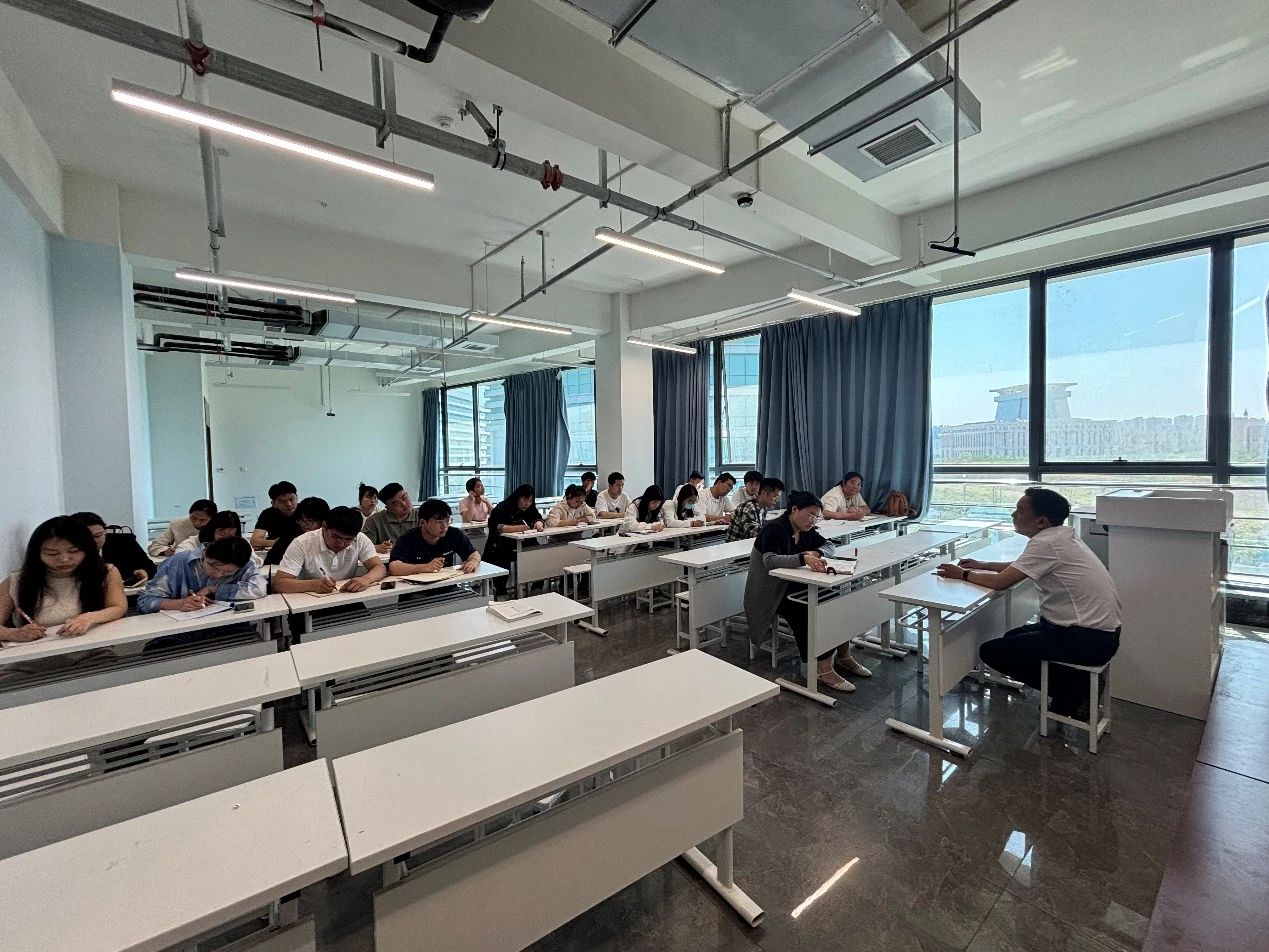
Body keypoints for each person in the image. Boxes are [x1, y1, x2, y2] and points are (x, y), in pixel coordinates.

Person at [936, 488, 1122, 718]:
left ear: (1041, 521)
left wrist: (962, 574)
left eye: (1020, 511)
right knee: (1011, 637)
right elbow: (1020, 566)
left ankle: (1075, 691)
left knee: (992, 652)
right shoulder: (1059, 537)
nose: (1013, 515)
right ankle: (1073, 683)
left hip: (1086, 639)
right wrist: (981, 565)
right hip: (1095, 633)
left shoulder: (1046, 543)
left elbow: (1000, 583)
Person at [744, 491, 871, 692]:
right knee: (806, 611)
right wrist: (803, 558)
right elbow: (770, 561)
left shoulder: (805, 529)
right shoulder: (774, 529)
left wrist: (816, 552)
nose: (813, 520)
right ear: (794, 510)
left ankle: (843, 656)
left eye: (816, 516)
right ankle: (823, 668)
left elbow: (829, 546)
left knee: (835, 600)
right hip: (771, 593)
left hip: (795, 585)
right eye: (810, 514)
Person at [0, 516, 127, 640]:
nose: (64, 559)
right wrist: (12, 633)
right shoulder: (16, 581)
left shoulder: (106, 572)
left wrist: (89, 618)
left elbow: (118, 607)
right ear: (37, 554)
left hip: (95, 647)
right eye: (52, 553)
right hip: (39, 651)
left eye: (74, 551)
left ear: (88, 549)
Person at [273, 506, 387, 594]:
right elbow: (279, 583)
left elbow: (379, 567)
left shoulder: (360, 538)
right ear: (324, 527)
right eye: (336, 537)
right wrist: (313, 585)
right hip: (309, 601)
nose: (341, 543)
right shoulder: (302, 543)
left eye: (348, 539)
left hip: (345, 596)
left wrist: (365, 579)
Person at [138, 537, 266, 613]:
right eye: (213, 566)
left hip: (226, 625)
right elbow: (145, 601)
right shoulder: (177, 562)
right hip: (180, 630)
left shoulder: (244, 563)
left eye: (227, 572)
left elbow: (259, 588)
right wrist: (179, 604)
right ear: (204, 554)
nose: (218, 574)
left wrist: (215, 590)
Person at [389, 499, 482, 577]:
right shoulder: (408, 538)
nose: (444, 526)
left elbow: (474, 554)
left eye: (447, 520)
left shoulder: (453, 534)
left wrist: (473, 561)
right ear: (423, 522)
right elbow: (394, 567)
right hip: (417, 588)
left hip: (446, 584)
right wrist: (424, 567)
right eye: (439, 522)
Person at [483, 485, 545, 595]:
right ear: (517, 497)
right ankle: (501, 591)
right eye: (524, 500)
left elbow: (537, 517)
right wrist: (519, 528)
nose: (527, 504)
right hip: (500, 545)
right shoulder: (503, 507)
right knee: (502, 554)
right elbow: (497, 527)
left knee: (538, 551)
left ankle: (537, 585)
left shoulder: (530, 509)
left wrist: (538, 523)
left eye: (530, 501)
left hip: (522, 543)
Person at [73, 511, 156, 585]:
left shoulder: (124, 542)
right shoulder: (71, 553)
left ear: (105, 531)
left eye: (98, 535)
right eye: (87, 538)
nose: (94, 541)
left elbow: (151, 567)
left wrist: (144, 572)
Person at [148, 499, 217, 557]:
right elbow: (155, 546)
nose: (197, 523)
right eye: (193, 518)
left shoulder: (219, 527)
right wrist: (165, 551)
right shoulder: (177, 524)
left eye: (202, 520)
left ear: (213, 518)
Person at [363, 482, 419, 554]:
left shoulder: (423, 516)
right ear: (388, 508)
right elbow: (363, 547)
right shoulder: (374, 521)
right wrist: (377, 548)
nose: (404, 504)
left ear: (407, 494)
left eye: (404, 498)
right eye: (396, 504)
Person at [250, 481, 302, 556]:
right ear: (274, 504)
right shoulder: (268, 514)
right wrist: (275, 543)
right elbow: (254, 540)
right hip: (280, 553)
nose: (288, 504)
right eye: (282, 501)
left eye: (291, 499)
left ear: (297, 497)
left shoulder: (305, 510)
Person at [727, 477, 784, 542]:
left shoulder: (763, 508)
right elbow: (754, 532)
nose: (777, 500)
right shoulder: (748, 507)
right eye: (775, 496)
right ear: (763, 493)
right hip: (736, 547)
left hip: (748, 544)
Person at [174, 510, 245, 555]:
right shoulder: (193, 543)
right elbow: (179, 557)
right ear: (212, 531)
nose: (226, 539)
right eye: (222, 534)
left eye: (231, 536)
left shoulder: (240, 545)